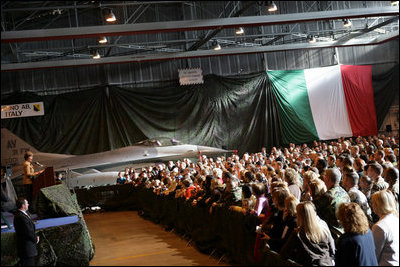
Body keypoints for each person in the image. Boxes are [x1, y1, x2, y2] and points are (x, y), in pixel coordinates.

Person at [280, 201, 335, 266]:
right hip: (327, 263)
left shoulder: (298, 234)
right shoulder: (323, 226)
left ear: (300, 216)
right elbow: (332, 250)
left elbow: (283, 254)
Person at [371, 190, 399, 266]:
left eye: (373, 203)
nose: (372, 205)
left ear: (378, 205)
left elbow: (374, 255)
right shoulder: (396, 219)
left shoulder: (379, 226)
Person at [13, 197, 39, 266]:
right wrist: (35, 239)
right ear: (23, 205)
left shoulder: (22, 215)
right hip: (26, 249)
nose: (28, 204)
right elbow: (28, 231)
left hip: (26, 249)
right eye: (27, 203)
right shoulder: (21, 217)